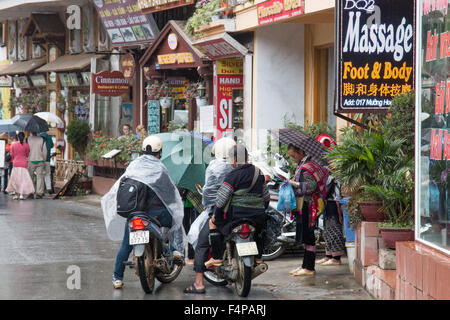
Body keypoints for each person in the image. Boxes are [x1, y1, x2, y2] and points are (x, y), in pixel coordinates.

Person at [104, 135, 186, 289]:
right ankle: (176, 251)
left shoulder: (134, 166)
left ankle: (117, 278)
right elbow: (169, 192)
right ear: (159, 152)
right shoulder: (160, 167)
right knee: (176, 221)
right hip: (157, 213)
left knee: (126, 245)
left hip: (135, 213)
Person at [205, 144, 269, 269]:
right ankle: (259, 256)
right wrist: (261, 210)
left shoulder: (232, 176)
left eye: (230, 159)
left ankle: (217, 257)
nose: (230, 162)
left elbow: (221, 201)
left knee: (212, 223)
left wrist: (215, 216)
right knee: (262, 228)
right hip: (257, 217)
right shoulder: (258, 172)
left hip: (236, 216)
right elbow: (266, 197)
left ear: (235, 158)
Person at [184, 137, 235, 294]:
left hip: (217, 214)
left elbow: (208, 192)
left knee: (201, 244)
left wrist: (208, 208)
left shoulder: (214, 167)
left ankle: (198, 283)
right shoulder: (239, 166)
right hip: (239, 213)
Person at [287, 143, 329, 276]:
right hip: (304, 205)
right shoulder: (303, 166)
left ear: (300, 151)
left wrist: (294, 184)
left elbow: (310, 187)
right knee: (306, 236)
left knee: (309, 236)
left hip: (308, 206)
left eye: (293, 155)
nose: (293, 159)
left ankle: (309, 267)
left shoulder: (307, 167)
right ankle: (305, 265)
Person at [315, 135, 345, 266]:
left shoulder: (336, 164)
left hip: (335, 199)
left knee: (334, 227)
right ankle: (328, 254)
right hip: (327, 199)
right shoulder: (326, 164)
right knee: (327, 227)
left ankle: (336, 257)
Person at [6, 132, 35, 200]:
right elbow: (27, 155)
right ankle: (21, 194)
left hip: (15, 164)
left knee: (16, 180)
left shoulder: (13, 145)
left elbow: (12, 155)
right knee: (23, 180)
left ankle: (16, 194)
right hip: (24, 164)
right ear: (24, 137)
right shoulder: (26, 145)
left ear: (18, 137)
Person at [27, 131, 47, 199]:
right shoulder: (42, 139)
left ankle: (31, 192)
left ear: (31, 132)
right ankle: (39, 193)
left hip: (30, 160)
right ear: (37, 132)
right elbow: (45, 151)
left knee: (30, 177)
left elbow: (26, 150)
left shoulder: (28, 139)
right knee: (40, 177)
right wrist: (44, 160)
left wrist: (27, 158)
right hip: (40, 160)